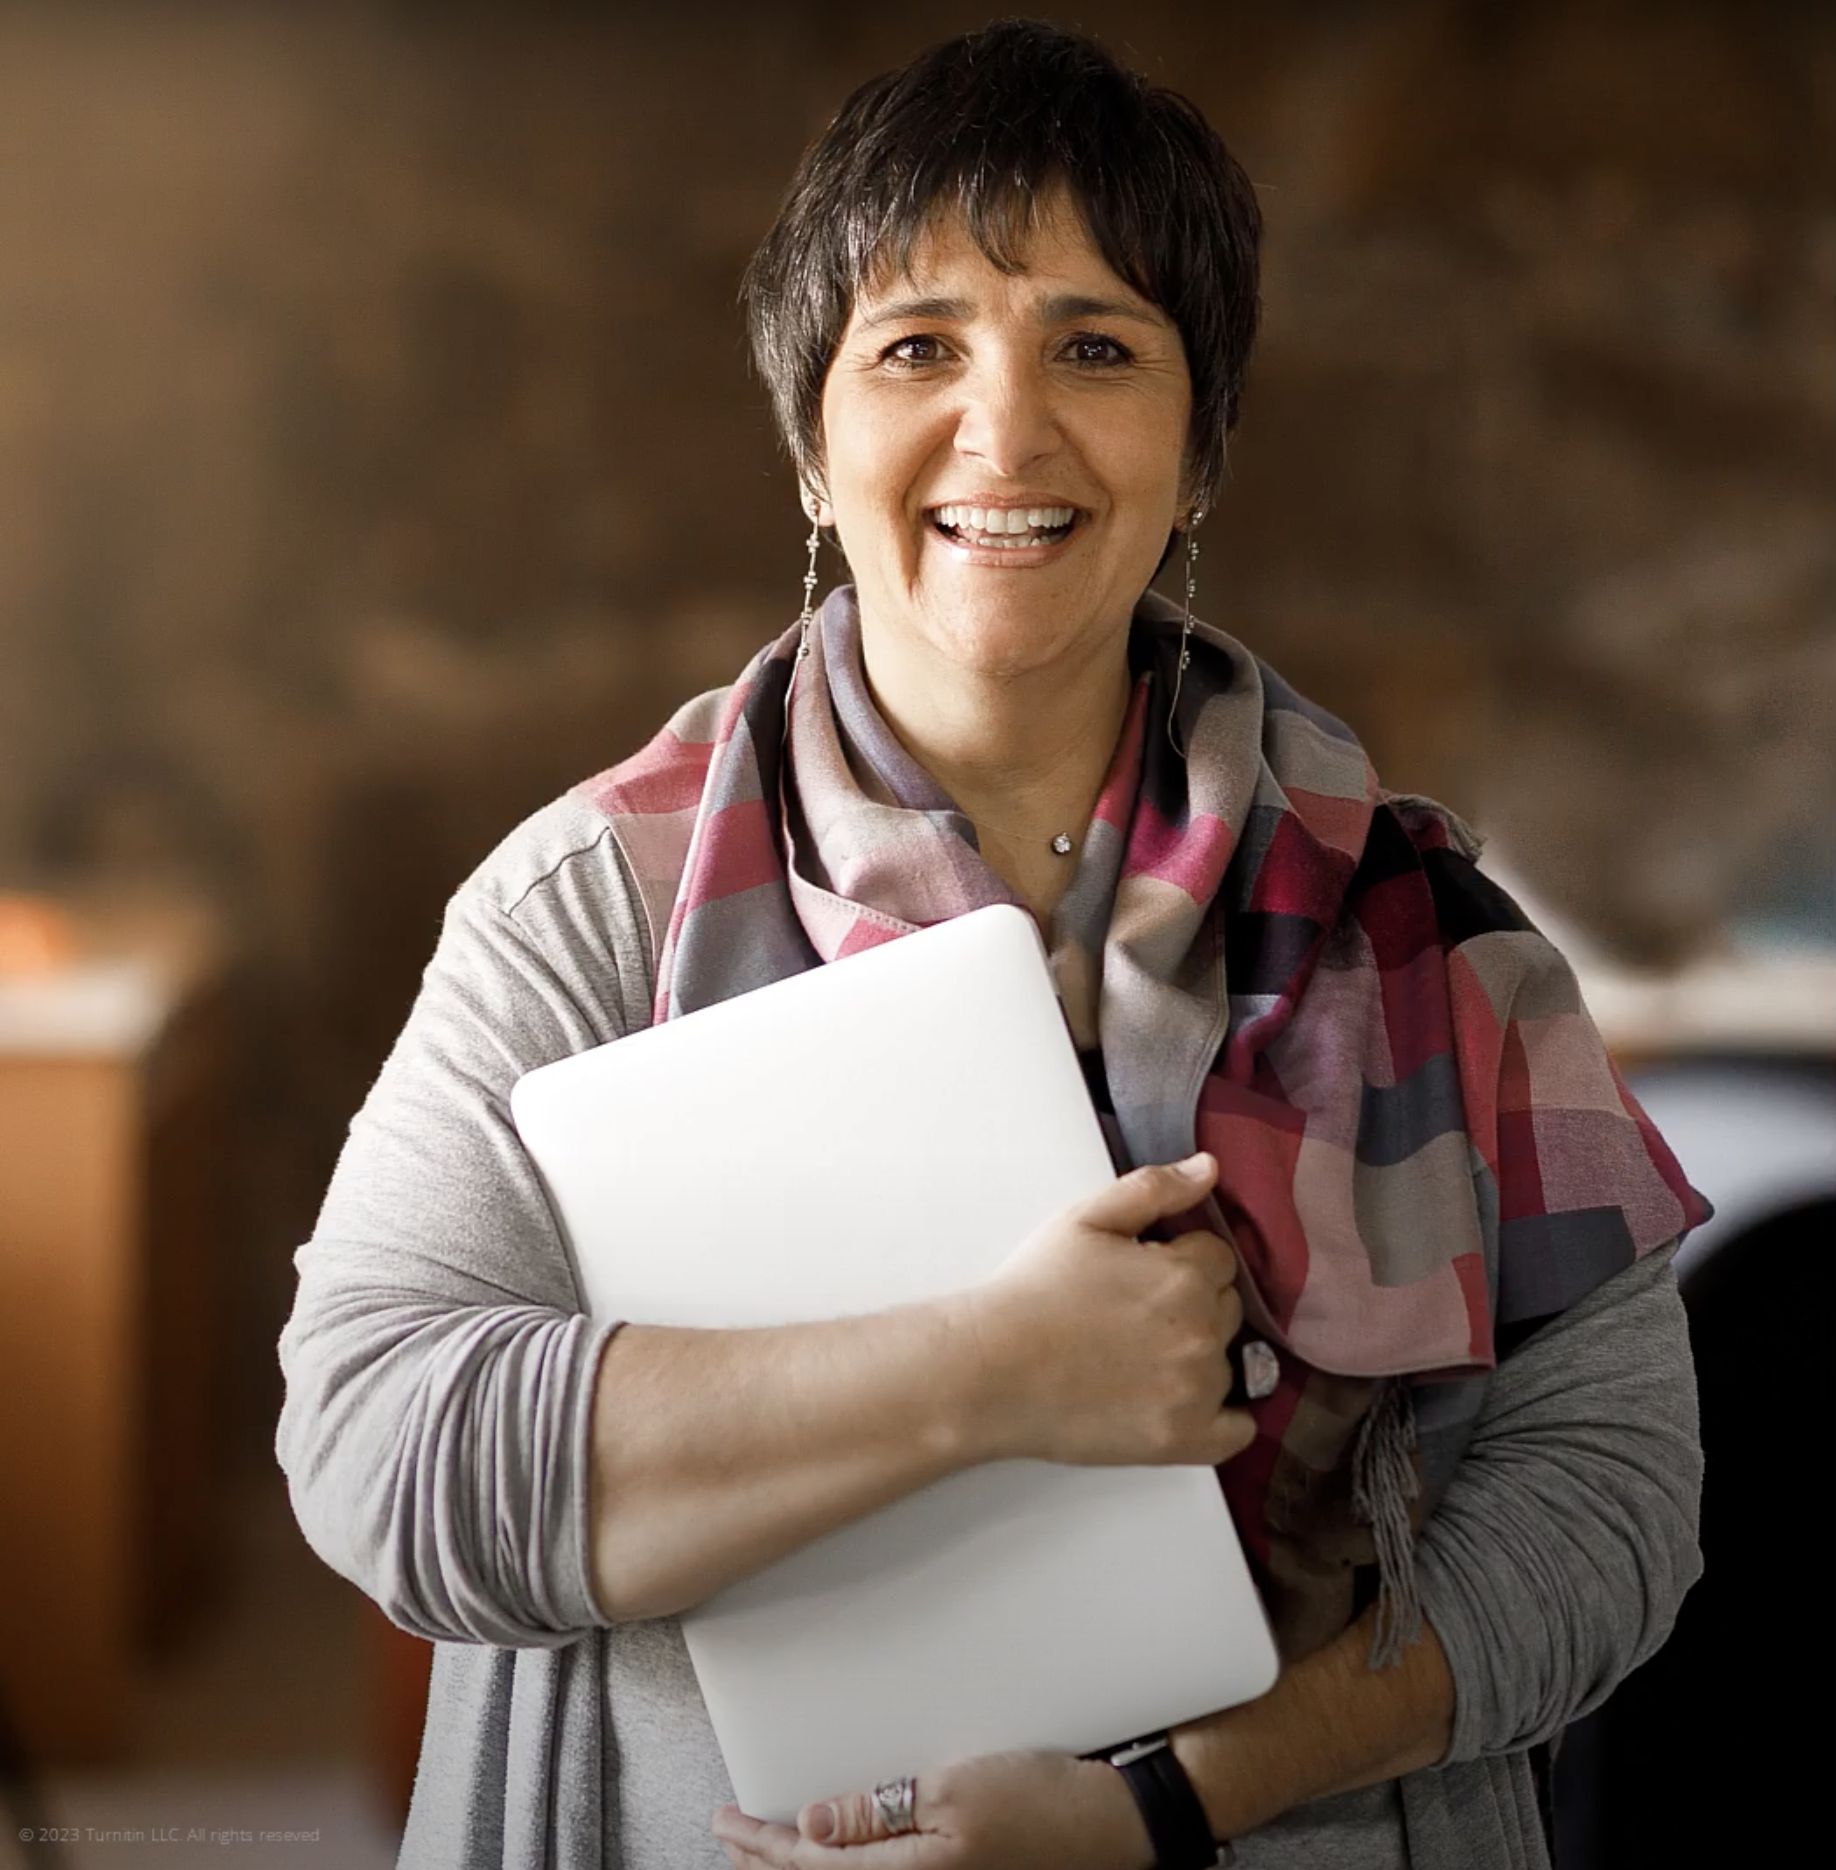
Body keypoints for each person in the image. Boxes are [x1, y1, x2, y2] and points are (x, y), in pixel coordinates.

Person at [276, 22, 1707, 1870]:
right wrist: (990, 1371)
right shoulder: (587, 912)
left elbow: (1615, 1502)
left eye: (1097, 347)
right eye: (918, 345)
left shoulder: (1438, 941)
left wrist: (1164, 1806)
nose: (1007, 431)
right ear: (814, 443)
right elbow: (383, 1454)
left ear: (1200, 449)